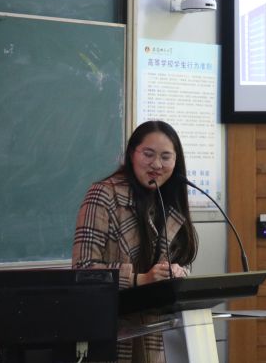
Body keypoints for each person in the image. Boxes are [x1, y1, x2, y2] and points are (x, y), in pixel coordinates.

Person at [73, 120, 199, 363]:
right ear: (132, 154)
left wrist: (176, 272)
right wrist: (141, 279)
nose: (157, 165)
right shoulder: (103, 194)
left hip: (155, 332)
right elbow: (82, 271)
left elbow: (180, 258)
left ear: (176, 161)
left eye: (166, 157)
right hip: (109, 331)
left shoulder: (169, 200)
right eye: (148, 154)